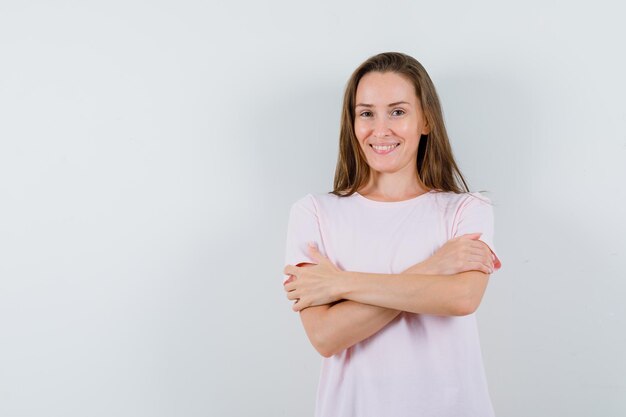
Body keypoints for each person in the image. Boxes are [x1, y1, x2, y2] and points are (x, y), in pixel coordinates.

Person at [281, 52, 503, 417]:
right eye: (366, 113)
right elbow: (326, 336)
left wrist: (339, 284)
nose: (380, 129)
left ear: (426, 120)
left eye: (397, 111)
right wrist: (434, 267)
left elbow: (462, 298)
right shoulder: (314, 212)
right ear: (352, 123)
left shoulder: (466, 209)